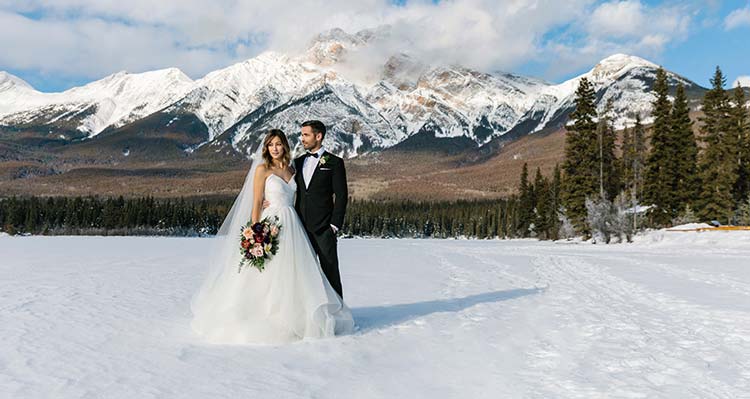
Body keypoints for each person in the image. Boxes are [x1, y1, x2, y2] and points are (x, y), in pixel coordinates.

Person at [190, 129, 354, 345]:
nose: (275, 148)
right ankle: (262, 313)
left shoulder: (292, 169)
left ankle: (299, 314)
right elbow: (257, 202)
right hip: (271, 224)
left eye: (278, 144)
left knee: (296, 272)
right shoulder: (262, 170)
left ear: (284, 146)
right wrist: (256, 231)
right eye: (270, 145)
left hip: (294, 225)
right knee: (267, 271)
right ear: (266, 148)